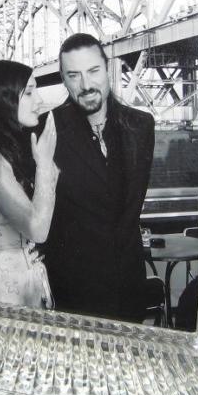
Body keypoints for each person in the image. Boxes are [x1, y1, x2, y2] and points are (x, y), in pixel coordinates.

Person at [41, 33, 155, 322]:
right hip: (73, 292)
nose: (86, 85)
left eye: (93, 71)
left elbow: (130, 207)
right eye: (74, 75)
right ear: (63, 79)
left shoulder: (141, 126)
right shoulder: (46, 128)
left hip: (128, 285)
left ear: (107, 69)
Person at [0, 60, 58, 308]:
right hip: (2, 294)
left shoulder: (1, 153)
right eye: (29, 92)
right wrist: (44, 165)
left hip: (25, 286)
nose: (40, 101)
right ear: (3, 99)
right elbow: (38, 229)